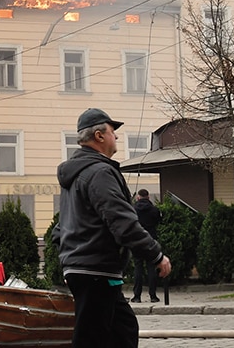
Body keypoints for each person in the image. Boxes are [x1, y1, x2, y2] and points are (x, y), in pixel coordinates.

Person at [56, 108, 171, 348]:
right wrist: (156, 254)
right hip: (95, 269)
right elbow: (123, 222)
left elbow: (60, 229)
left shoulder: (77, 174)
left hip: (90, 268)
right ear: (99, 136)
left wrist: (68, 264)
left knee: (123, 330)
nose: (116, 137)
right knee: (92, 338)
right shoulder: (100, 173)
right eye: (112, 131)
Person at [130, 189, 162, 304]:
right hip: (151, 241)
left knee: (138, 268)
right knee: (151, 268)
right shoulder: (154, 210)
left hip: (137, 241)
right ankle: (153, 295)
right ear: (148, 197)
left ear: (138, 197)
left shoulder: (133, 209)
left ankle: (137, 296)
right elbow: (158, 221)